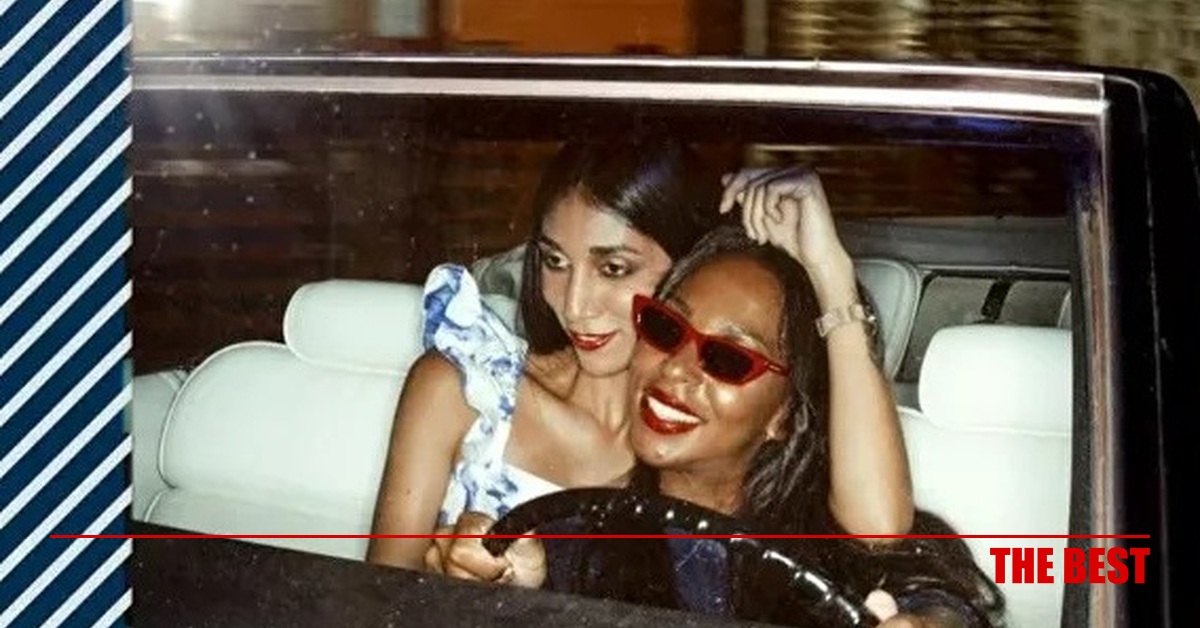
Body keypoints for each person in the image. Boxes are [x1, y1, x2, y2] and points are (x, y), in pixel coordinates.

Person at [367, 136, 912, 570]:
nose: (575, 306)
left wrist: (832, 274)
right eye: (554, 261)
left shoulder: (695, 432)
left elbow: (878, 529)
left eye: (613, 268)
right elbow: (377, 599)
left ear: (688, 267)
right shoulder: (465, 390)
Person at [426, 227, 1004, 628]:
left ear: (785, 416)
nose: (675, 369)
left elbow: (939, 601)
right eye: (665, 328)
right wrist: (509, 592)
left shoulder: (849, 549)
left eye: (727, 358)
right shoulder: (576, 539)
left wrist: (930, 623)